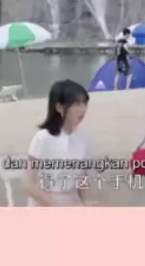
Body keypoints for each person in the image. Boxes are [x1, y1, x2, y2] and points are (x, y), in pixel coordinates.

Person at [22, 79, 95, 207]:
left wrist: (87, 203)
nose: (83, 109)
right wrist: (54, 205)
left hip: (73, 201)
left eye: (84, 103)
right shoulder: (43, 138)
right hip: (46, 202)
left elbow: (83, 180)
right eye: (77, 104)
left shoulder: (84, 137)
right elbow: (28, 183)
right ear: (59, 107)